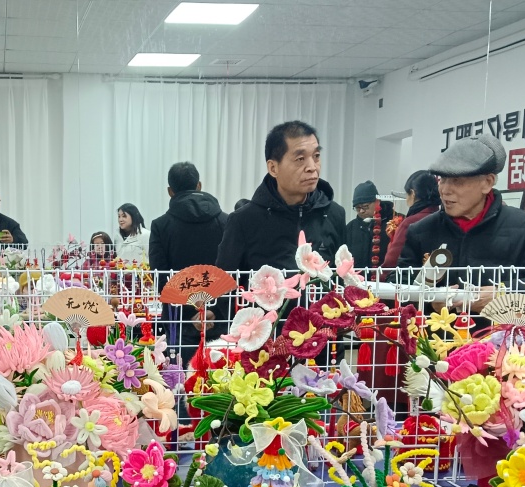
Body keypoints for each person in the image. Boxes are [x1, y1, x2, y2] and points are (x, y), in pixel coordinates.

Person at [399, 133, 525, 311]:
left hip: (503, 328)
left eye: (457, 181)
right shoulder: (421, 230)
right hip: (435, 329)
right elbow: (398, 287)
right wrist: (430, 299)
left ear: (487, 183)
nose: (445, 190)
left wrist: (503, 294)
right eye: (442, 180)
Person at [216, 120, 345, 271]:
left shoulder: (334, 214)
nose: (312, 167)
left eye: (316, 156)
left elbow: (342, 277)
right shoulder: (243, 221)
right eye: (300, 159)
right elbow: (224, 282)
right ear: (273, 168)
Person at [149, 161, 226, 365]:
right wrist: (214, 310)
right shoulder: (226, 222)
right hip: (220, 317)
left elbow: (160, 277)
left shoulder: (160, 226)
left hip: (179, 318)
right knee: (221, 376)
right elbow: (233, 272)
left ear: (170, 191)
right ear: (199, 185)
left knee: (180, 377)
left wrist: (191, 309)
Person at [382, 170, 441, 268]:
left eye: (407, 194)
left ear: (413, 194)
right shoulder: (444, 219)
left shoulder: (410, 223)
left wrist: (382, 275)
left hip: (408, 276)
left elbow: (392, 260)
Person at [344, 180, 393, 269]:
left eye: (365, 206)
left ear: (377, 202)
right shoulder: (350, 228)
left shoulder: (392, 224)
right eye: (357, 208)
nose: (361, 211)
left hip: (386, 276)